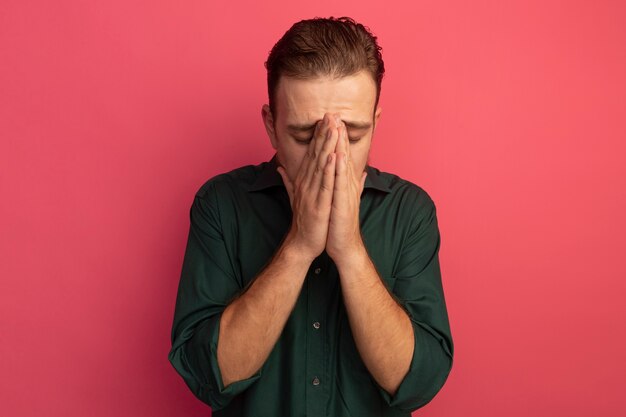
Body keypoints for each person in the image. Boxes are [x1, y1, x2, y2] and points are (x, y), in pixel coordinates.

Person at [168, 16, 453, 417]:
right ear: (270, 125)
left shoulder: (409, 211)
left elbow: (417, 382)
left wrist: (351, 250)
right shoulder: (221, 204)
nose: (332, 154)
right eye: (305, 136)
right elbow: (211, 376)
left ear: (376, 124)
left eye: (352, 136)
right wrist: (299, 245)